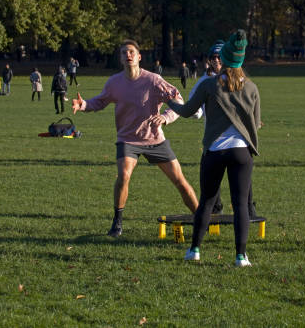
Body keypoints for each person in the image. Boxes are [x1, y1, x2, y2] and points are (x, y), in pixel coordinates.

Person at [72, 39, 198, 237]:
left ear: (139, 57)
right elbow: (101, 101)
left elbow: (178, 100)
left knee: (180, 181)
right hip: (128, 140)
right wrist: (84, 105)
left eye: (131, 52)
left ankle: (201, 218)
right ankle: (118, 221)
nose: (128, 55)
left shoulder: (153, 80)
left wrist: (165, 118)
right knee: (124, 176)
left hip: (155, 140)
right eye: (124, 53)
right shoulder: (114, 82)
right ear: (121, 58)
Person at [166, 29, 259, 267]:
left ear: (223, 59)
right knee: (240, 205)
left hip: (215, 151)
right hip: (241, 152)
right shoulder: (251, 87)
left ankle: (194, 249)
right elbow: (256, 123)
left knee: (207, 201)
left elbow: (188, 111)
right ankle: (241, 256)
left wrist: (169, 102)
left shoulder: (209, 84)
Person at [189, 40, 257, 217]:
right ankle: (215, 209)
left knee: (242, 183)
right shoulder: (205, 82)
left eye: (220, 57)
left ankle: (250, 209)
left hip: (238, 140)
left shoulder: (240, 80)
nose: (217, 61)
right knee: (212, 184)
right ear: (208, 60)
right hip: (214, 139)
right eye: (213, 57)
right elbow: (194, 111)